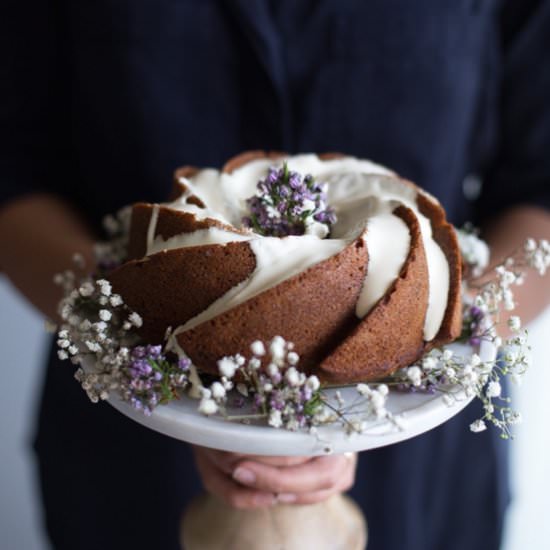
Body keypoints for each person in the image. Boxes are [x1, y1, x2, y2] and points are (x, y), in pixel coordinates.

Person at [1, 2, 550, 549]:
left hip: (422, 487)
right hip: (128, 467)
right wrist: (151, 360)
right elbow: (15, 167)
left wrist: (433, 328)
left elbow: (539, 188)